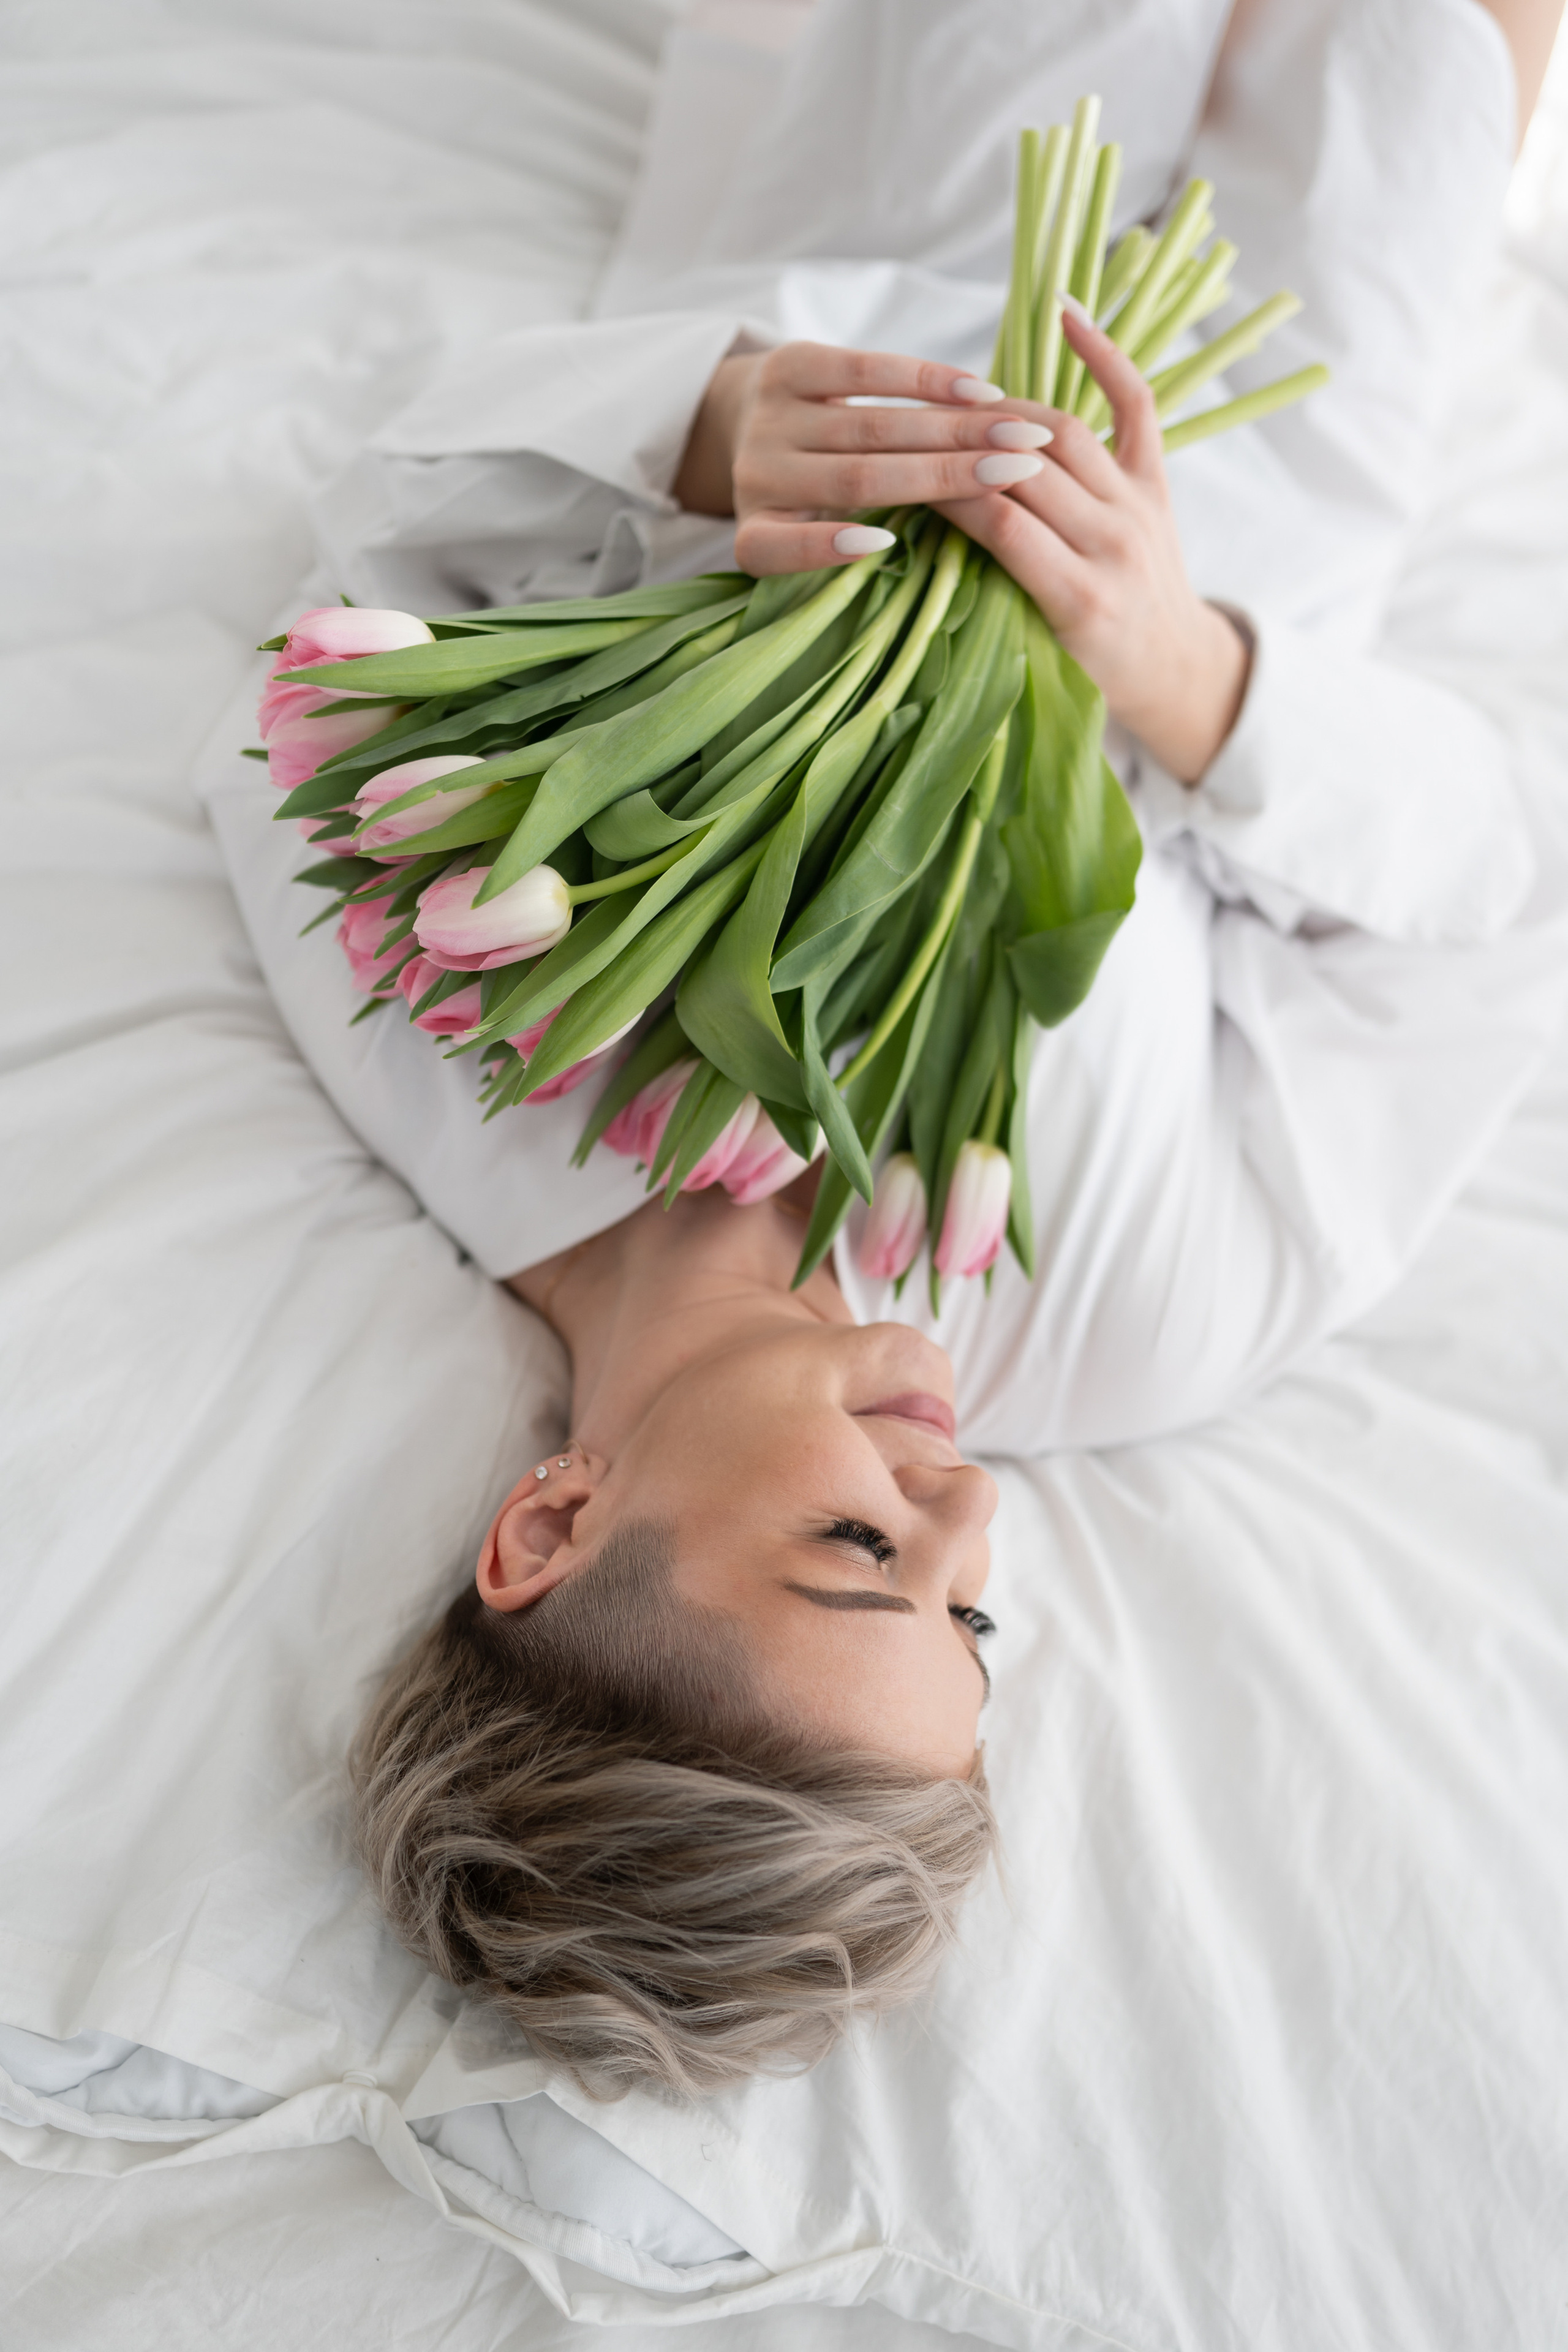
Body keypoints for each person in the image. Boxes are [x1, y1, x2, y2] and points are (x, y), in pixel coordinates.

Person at [197, 0, 1567, 2097]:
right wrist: (1192, 683)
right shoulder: (1134, 1318)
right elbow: (1490, 915)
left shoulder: (436, 1026)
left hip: (849, 248)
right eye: (976, 1624)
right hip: (1271, 451)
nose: (968, 1515)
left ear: (550, 1530)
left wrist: (711, 428)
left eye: (861, 1556)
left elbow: (386, 550)